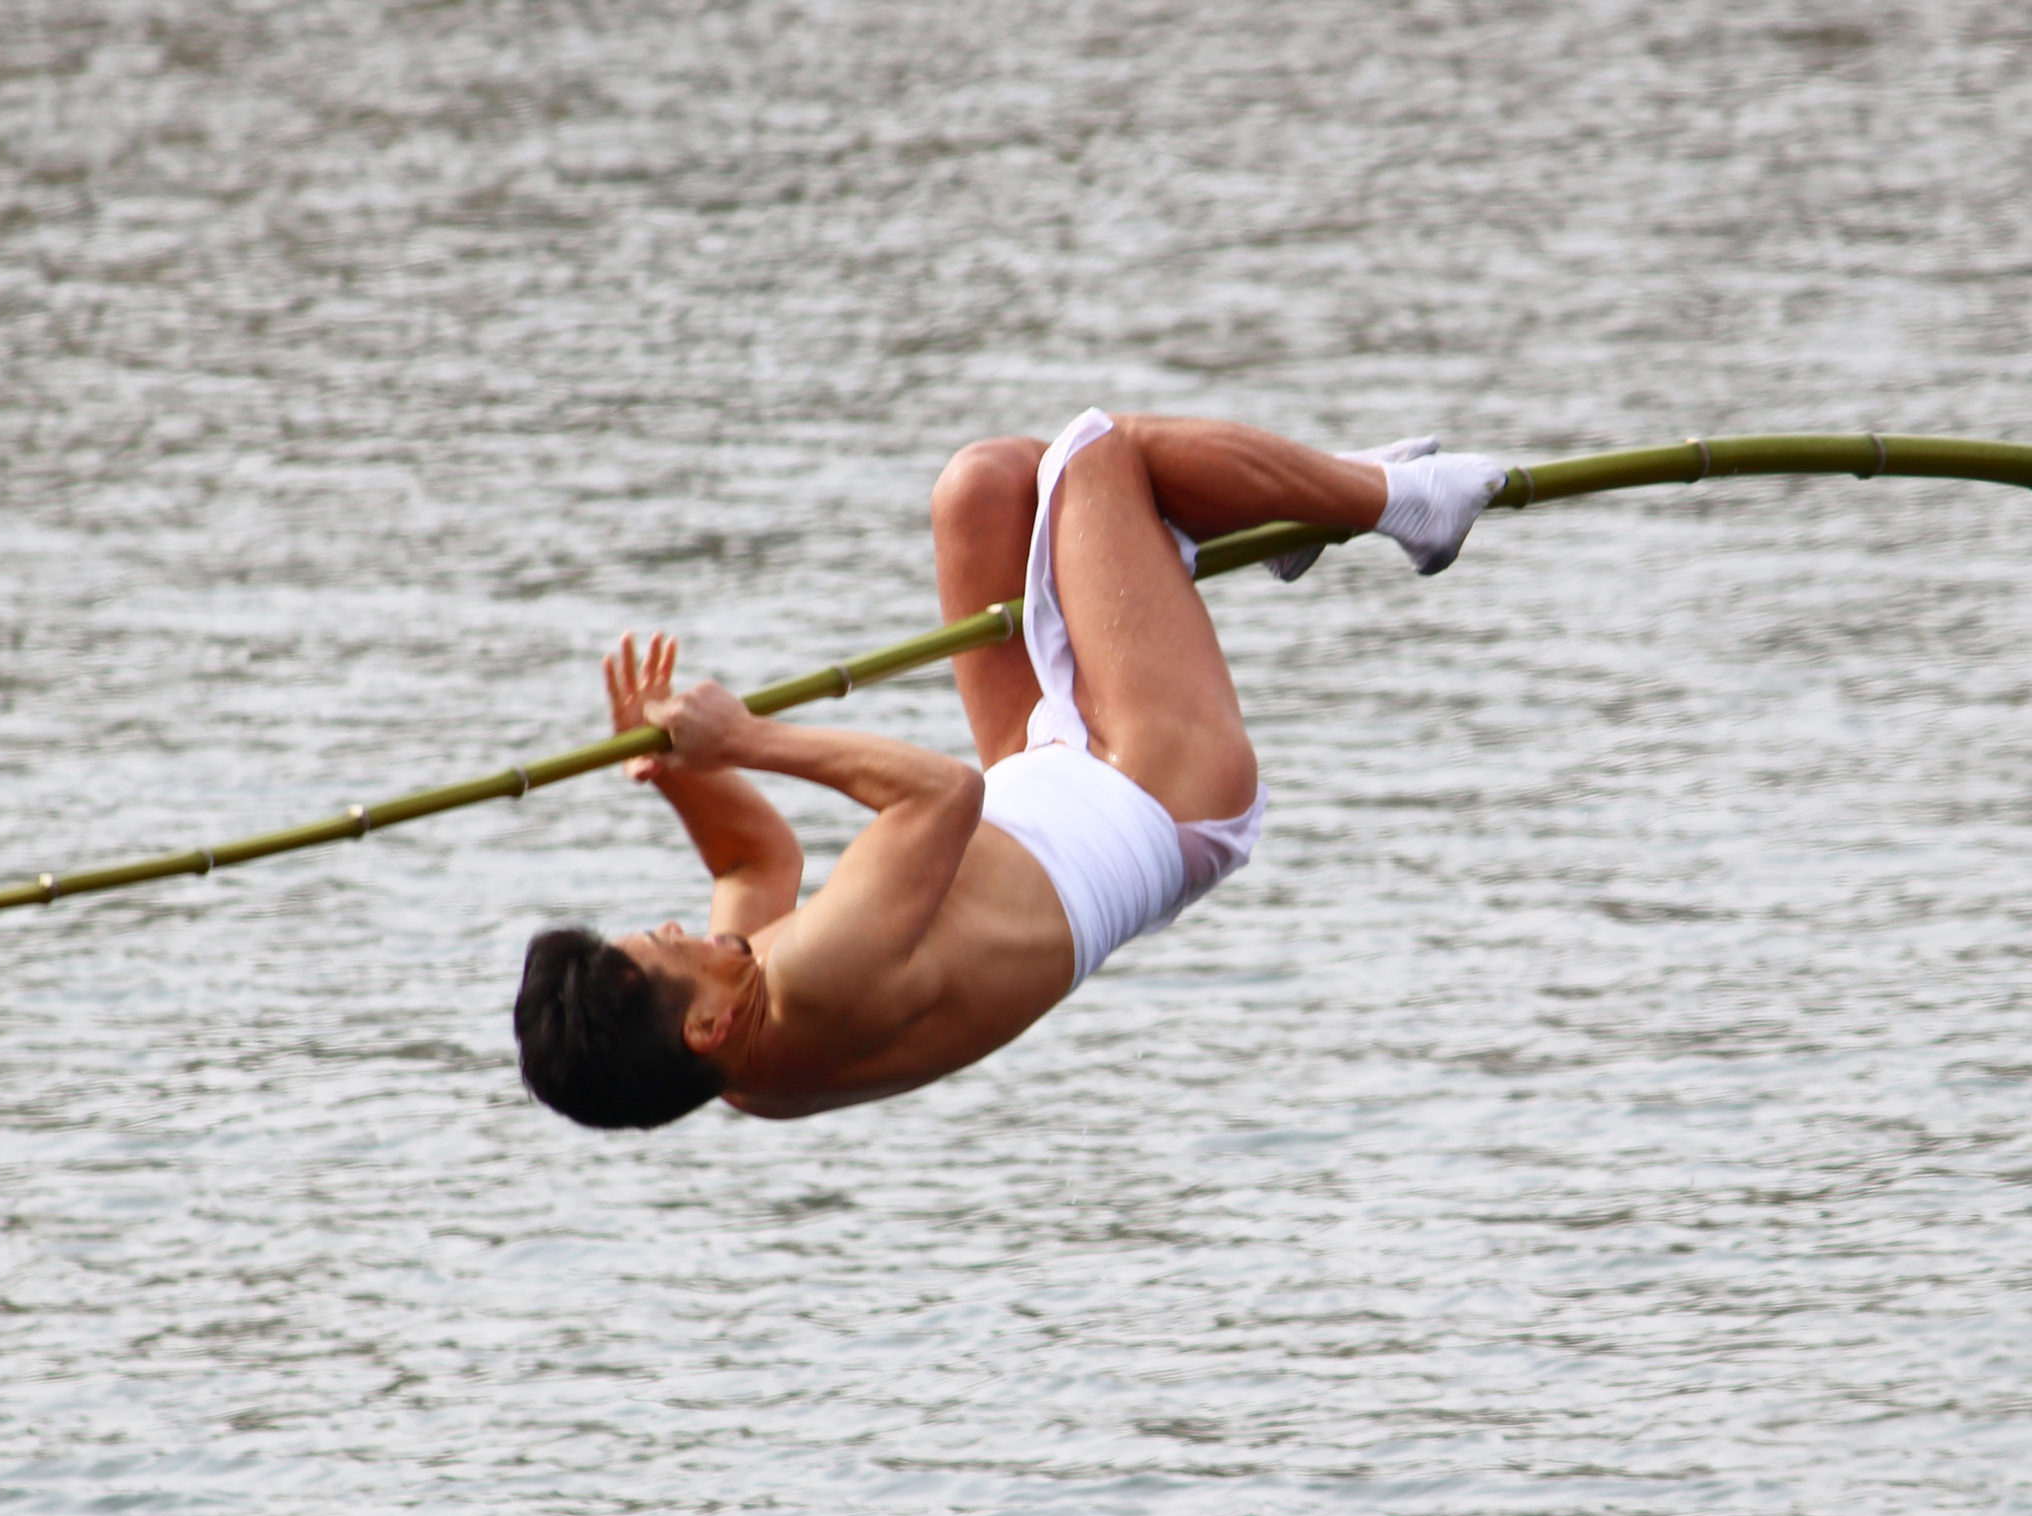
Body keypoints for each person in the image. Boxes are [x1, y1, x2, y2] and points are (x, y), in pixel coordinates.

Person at [515, 409, 1505, 1126]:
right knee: (1096, 453)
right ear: (704, 1025)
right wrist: (744, 741)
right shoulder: (814, 979)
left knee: (981, 487)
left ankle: (1278, 498)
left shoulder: (729, 1049)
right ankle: (1404, 505)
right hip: (1157, 793)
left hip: (1049, 782)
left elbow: (750, 862)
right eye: (665, 944)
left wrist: (682, 772)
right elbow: (944, 793)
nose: (686, 928)